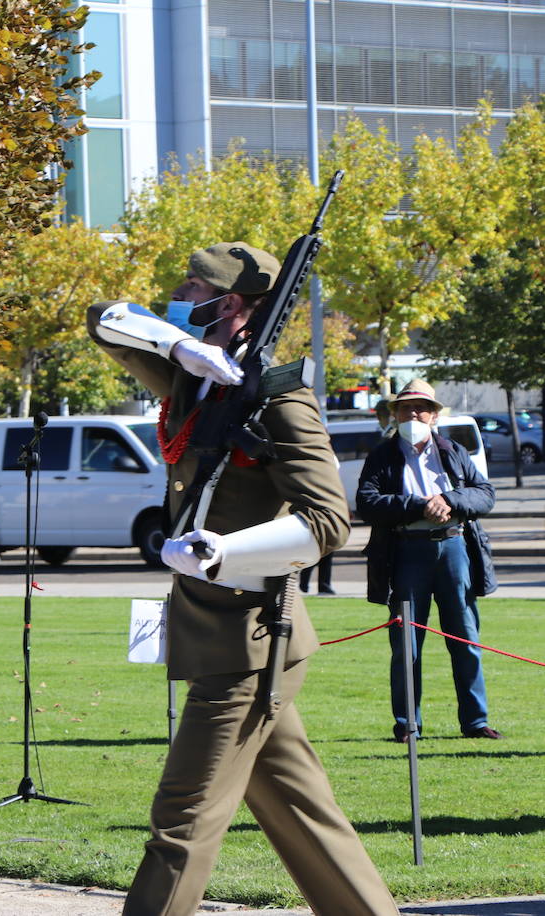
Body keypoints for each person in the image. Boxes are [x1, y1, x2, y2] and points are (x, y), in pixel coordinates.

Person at [87, 242, 397, 915]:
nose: (179, 297)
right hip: (218, 637)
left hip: (252, 643)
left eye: (191, 287)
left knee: (181, 821)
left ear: (228, 303)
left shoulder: (280, 399)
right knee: (302, 815)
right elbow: (102, 317)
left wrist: (224, 551)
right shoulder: (196, 381)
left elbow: (327, 521)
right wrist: (179, 349)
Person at [355, 378, 499, 742]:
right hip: (406, 552)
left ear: (434, 416)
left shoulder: (453, 450)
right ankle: (407, 724)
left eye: (421, 408)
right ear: (396, 415)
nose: (414, 413)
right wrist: (420, 504)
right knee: (406, 644)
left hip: (454, 550)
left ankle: (475, 721)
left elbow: (485, 495)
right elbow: (368, 503)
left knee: (465, 638)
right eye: (406, 407)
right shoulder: (382, 455)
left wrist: (449, 500)